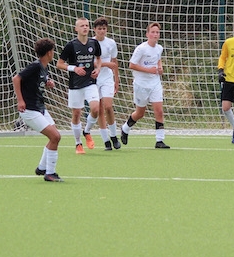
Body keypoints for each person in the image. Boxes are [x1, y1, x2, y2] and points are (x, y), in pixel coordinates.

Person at [12, 38, 63, 182]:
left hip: (40, 108)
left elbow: (36, 81)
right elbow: (16, 79)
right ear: (49, 53)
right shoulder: (35, 66)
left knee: (55, 136)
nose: (53, 53)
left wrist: (47, 83)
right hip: (30, 110)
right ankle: (50, 173)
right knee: (55, 137)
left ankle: (42, 167)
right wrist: (20, 100)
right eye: (52, 51)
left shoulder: (43, 67)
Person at [56, 17, 102, 155]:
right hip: (75, 85)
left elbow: (98, 59)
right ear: (76, 29)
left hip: (90, 82)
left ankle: (86, 131)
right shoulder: (71, 45)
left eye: (86, 25)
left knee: (95, 109)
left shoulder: (94, 43)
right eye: (82, 26)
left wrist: (98, 69)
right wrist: (74, 68)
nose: (85, 28)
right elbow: (59, 64)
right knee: (76, 114)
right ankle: (78, 143)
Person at [121, 22, 169, 149]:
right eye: (152, 32)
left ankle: (159, 140)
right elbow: (132, 65)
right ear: (147, 34)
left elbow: (158, 60)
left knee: (159, 111)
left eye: (157, 32)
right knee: (140, 113)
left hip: (155, 83)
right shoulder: (141, 49)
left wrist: (160, 68)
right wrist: (148, 70)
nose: (155, 34)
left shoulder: (159, 48)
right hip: (141, 84)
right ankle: (125, 128)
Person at [93, 17, 121, 150]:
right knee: (98, 109)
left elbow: (114, 62)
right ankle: (106, 141)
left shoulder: (111, 43)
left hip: (107, 78)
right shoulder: (91, 43)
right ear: (95, 30)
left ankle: (114, 136)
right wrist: (105, 64)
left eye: (104, 29)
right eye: (99, 29)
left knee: (108, 107)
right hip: (94, 78)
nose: (102, 31)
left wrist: (117, 79)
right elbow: (90, 63)